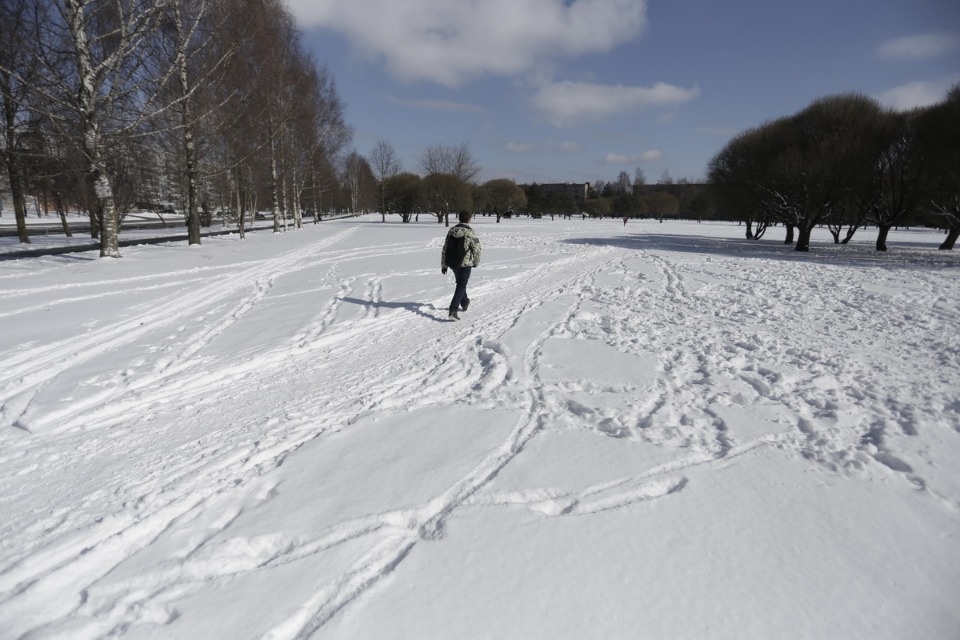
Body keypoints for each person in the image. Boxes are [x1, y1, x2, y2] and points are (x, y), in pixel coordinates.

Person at [441, 211, 482, 321]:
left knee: (460, 284)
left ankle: (464, 302)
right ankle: (453, 309)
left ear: (459, 218)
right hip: (465, 263)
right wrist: (476, 262)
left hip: (453, 262)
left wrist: (444, 265)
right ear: (469, 220)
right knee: (461, 285)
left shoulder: (451, 230)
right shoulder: (470, 232)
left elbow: (445, 248)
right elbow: (477, 249)